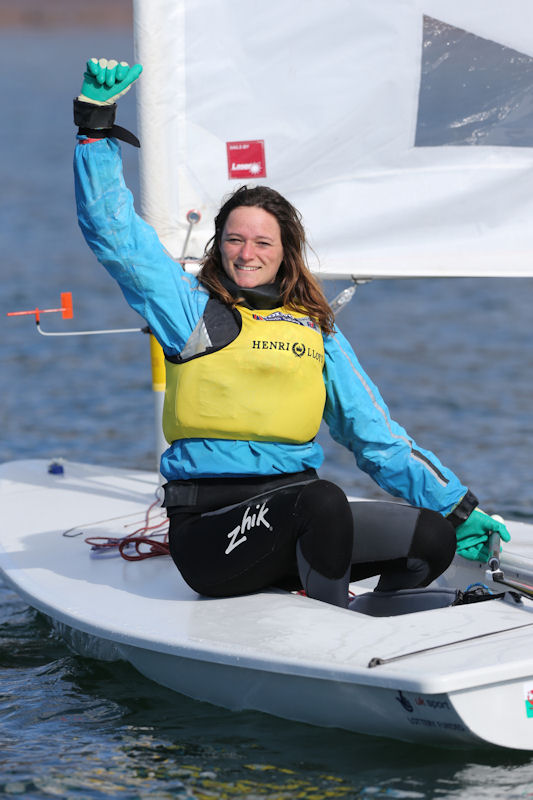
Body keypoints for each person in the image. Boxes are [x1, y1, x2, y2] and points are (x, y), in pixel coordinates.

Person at [73, 58, 511, 610]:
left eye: (262, 242)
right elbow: (115, 235)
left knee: (431, 538)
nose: (246, 253)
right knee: (321, 500)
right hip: (213, 534)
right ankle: (338, 623)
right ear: (219, 246)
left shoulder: (316, 330)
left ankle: (382, 628)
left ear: (285, 253)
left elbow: (375, 438)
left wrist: (458, 509)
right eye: (234, 240)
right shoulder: (188, 313)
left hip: (300, 518)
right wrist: (95, 127)